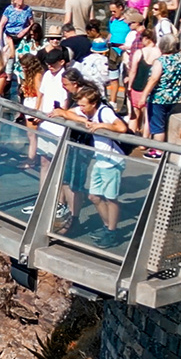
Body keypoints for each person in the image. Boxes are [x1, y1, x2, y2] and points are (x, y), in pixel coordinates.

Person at [62, 86, 132, 244]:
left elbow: (121, 127)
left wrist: (101, 125)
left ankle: (112, 232)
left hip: (113, 161)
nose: (81, 108)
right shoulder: (86, 112)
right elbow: (67, 113)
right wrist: (84, 120)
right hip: (100, 160)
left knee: (111, 198)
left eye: (83, 105)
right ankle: (108, 226)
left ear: (93, 104)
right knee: (94, 196)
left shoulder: (105, 112)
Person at [142, 32, 181, 142]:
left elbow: (154, 80)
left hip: (158, 99)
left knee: (158, 127)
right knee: (165, 123)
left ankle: (158, 149)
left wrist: (143, 96)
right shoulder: (179, 57)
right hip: (174, 98)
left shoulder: (160, 62)